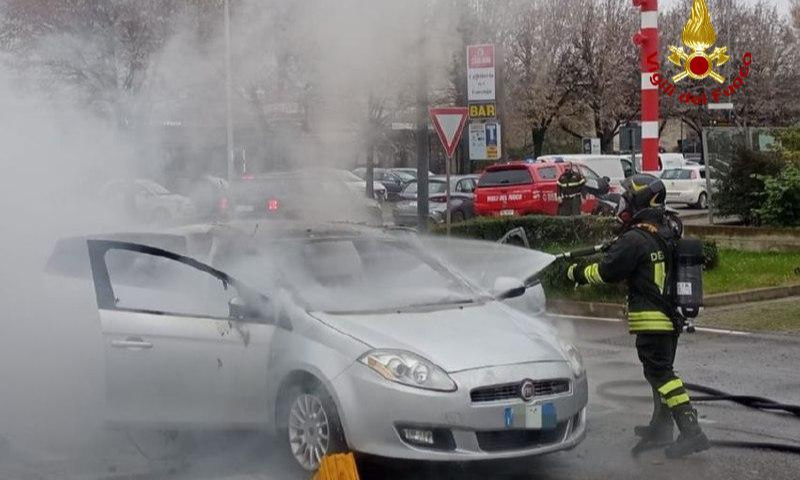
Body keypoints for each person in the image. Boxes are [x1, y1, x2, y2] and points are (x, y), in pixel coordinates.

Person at [566, 174, 710, 458]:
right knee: (659, 372)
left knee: (660, 373)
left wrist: (577, 273)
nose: (622, 206)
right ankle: (661, 426)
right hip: (670, 318)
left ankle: (692, 430)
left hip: (652, 318)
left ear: (640, 202)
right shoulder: (664, 229)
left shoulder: (635, 238)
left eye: (627, 200)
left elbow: (608, 272)